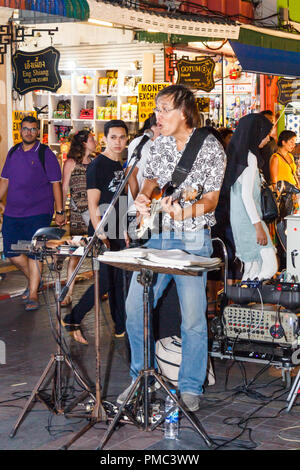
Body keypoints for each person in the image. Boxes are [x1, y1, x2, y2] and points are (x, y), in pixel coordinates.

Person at [118, 84, 226, 412]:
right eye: (157, 109)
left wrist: (185, 210)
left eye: (165, 109)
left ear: (184, 112)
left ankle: (191, 386)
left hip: (193, 239)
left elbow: (210, 200)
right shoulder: (159, 144)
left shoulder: (210, 148)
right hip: (158, 237)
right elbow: (151, 180)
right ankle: (142, 378)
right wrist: (143, 196)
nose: (158, 115)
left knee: (192, 318)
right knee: (135, 309)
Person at [62, 120, 128, 344]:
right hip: (103, 231)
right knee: (107, 281)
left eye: (122, 137)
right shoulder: (97, 166)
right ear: (105, 139)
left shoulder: (119, 164)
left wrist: (125, 229)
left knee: (118, 279)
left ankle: (121, 326)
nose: (118, 142)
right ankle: (73, 317)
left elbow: (120, 200)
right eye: (113, 138)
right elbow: (93, 202)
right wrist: (99, 230)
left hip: (118, 228)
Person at [0, 116, 64, 311]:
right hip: (13, 212)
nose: (29, 132)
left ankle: (34, 293)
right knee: (12, 252)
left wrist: (59, 211)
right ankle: (35, 281)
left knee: (34, 252)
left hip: (38, 212)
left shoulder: (45, 154)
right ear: (20, 130)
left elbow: (56, 184)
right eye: (25, 129)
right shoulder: (13, 152)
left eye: (33, 129)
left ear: (38, 132)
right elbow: (4, 181)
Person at [223, 113, 278, 281]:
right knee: (269, 266)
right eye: (266, 134)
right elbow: (246, 195)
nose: (268, 139)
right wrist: (258, 227)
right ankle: (251, 290)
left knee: (251, 266)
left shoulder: (237, 156)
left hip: (239, 219)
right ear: (256, 132)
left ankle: (246, 297)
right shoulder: (250, 158)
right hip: (250, 220)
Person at [61, 130, 96, 307]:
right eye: (92, 139)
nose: (95, 141)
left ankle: (99, 289)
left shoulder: (95, 162)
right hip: (78, 215)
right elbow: (64, 188)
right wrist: (60, 211)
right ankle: (68, 292)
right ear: (83, 143)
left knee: (98, 254)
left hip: (95, 214)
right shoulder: (71, 163)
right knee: (75, 255)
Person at [126, 113, 161, 213]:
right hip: (139, 203)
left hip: (154, 201)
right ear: (154, 126)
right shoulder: (140, 143)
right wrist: (136, 201)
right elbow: (131, 174)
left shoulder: (162, 144)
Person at [259, 110, 278, 184]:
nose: (270, 125)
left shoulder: (273, 142)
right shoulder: (253, 143)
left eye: (272, 122)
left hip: (271, 182)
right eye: (267, 122)